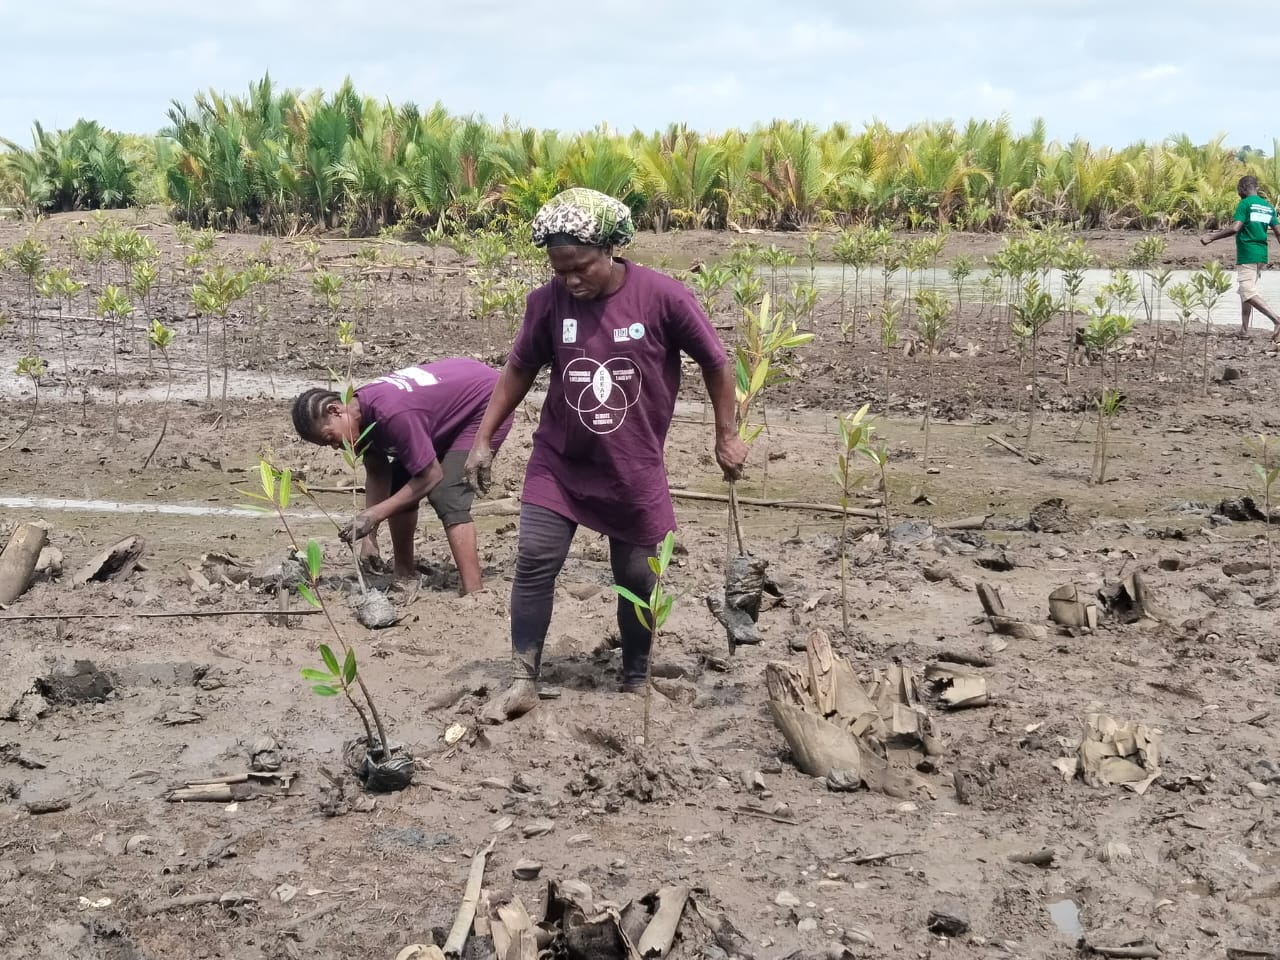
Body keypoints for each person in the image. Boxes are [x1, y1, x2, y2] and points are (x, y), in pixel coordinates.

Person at [463, 187, 748, 723]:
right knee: (534, 563)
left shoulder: (663, 297)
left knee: (638, 578)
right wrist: (483, 439)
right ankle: (524, 677)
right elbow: (519, 369)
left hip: (633, 465)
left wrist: (725, 434)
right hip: (561, 462)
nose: (571, 280)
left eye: (582, 267)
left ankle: (636, 676)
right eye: (559, 268)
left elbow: (717, 363)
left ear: (612, 248)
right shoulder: (546, 304)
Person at [290, 358, 513, 595]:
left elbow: (430, 476)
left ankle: (474, 591)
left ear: (335, 410)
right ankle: (404, 573)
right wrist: (370, 539)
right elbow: (378, 472)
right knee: (400, 482)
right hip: (445, 407)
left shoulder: (391, 414)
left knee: (448, 492)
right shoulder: (357, 419)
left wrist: (374, 514)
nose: (336, 447)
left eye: (329, 438)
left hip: (486, 402)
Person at [1201, 175, 1280, 339]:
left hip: (1248, 253)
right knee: (1247, 292)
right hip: (1261, 255)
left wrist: (1212, 237)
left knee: (1247, 291)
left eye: (1238, 189)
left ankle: (1277, 320)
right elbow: (1279, 232)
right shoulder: (1268, 207)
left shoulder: (1245, 204)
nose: (1238, 192)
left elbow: (1235, 228)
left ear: (1243, 188)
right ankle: (1244, 330)